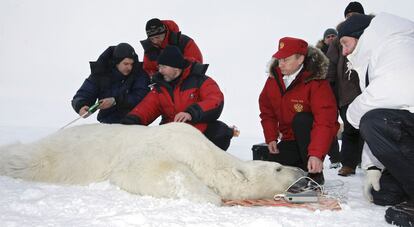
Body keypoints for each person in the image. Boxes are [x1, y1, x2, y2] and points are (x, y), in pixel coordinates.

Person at [338, 13, 414, 227]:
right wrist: (372, 167)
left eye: (345, 43)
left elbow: (397, 89)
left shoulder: (397, 44)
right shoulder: (377, 54)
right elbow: (384, 109)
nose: (344, 52)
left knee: (372, 121)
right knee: (382, 193)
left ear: (360, 35)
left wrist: (352, 115)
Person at [121, 45, 236, 151]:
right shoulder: (160, 88)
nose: (160, 71)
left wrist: (191, 113)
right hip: (171, 135)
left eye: (163, 67)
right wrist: (131, 120)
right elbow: (146, 108)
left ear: (176, 68)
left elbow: (215, 100)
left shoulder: (200, 80)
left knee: (221, 131)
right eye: (159, 67)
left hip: (197, 130)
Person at [259, 37, 339, 185]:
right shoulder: (273, 79)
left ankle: (314, 174)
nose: (280, 64)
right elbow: (267, 111)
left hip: (313, 139)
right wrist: (271, 137)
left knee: (302, 119)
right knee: (271, 172)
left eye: (286, 59)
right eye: (279, 59)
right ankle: (301, 167)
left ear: (300, 59)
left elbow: (325, 121)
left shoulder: (316, 82)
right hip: (289, 140)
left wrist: (316, 154)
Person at [326, 1, 366, 176]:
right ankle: (348, 164)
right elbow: (331, 65)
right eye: (348, 16)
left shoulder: (369, 34)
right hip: (345, 93)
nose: (351, 18)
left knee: (368, 127)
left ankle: (371, 165)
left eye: (355, 15)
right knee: (349, 128)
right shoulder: (339, 39)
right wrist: (329, 88)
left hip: (366, 90)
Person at [71, 43, 150, 124]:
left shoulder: (139, 73)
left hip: (134, 121)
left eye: (131, 64)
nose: (129, 67)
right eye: (126, 64)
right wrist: (81, 106)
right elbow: (83, 94)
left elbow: (141, 96)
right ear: (116, 62)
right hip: (107, 123)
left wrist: (115, 101)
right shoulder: (100, 73)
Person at [316, 28, 342, 169]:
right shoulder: (318, 55)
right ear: (324, 39)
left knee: (352, 125)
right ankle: (335, 158)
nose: (331, 38)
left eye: (333, 36)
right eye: (328, 36)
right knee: (329, 124)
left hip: (343, 91)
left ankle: (356, 159)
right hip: (327, 92)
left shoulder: (344, 49)